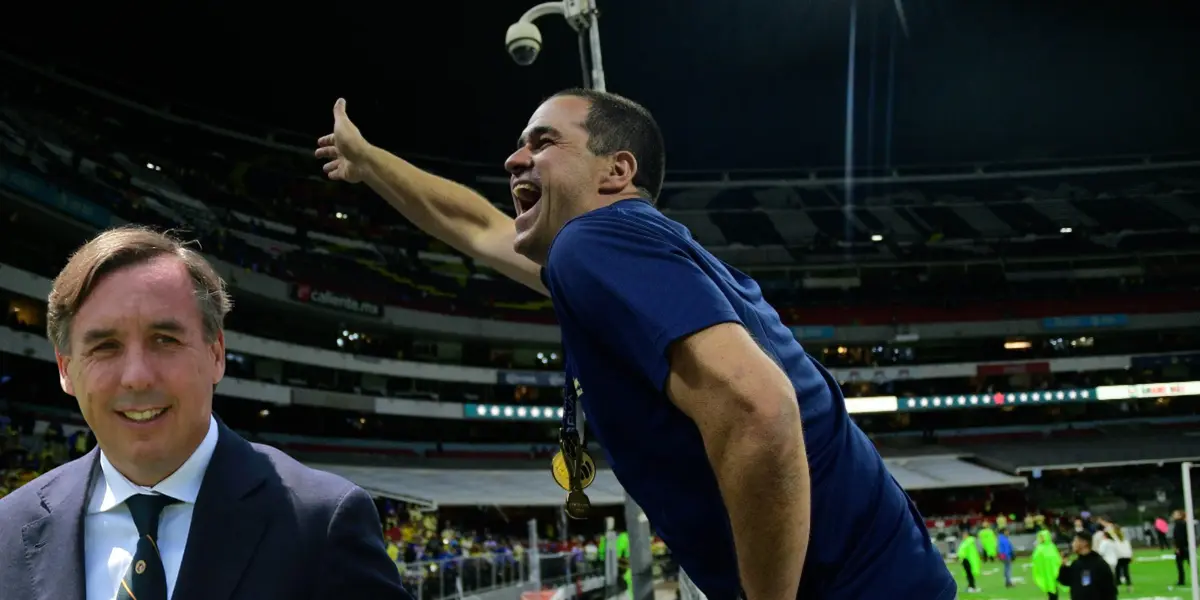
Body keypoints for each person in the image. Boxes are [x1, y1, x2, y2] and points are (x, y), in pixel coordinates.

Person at [315, 92, 957, 600]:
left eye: (543, 142)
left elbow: (759, 411)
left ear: (617, 171)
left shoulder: (591, 241)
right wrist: (370, 162)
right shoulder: (623, 252)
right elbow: (478, 226)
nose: (514, 160)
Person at [0, 227, 411, 600]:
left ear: (216, 355)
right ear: (66, 369)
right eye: (104, 346)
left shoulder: (323, 523)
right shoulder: (9, 529)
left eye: (165, 339)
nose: (137, 377)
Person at [1058, 532, 1117, 600]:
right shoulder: (1076, 564)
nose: (1072, 544)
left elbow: (1110, 591)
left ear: (1084, 543)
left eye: (1075, 541)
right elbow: (1065, 581)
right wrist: (1064, 566)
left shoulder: (1100, 564)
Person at [1032, 529, 1064, 600]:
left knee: (1055, 590)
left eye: (1043, 536)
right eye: (1041, 537)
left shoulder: (1052, 546)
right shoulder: (1039, 548)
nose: (1042, 538)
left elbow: (1056, 558)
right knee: (1050, 590)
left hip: (1054, 572)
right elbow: (1036, 559)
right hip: (1045, 573)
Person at [1174, 509, 1191, 586]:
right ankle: (1181, 580)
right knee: (1191, 564)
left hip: (1182, 547)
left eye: (1176, 514)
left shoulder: (1179, 524)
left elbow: (1179, 537)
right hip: (1187, 546)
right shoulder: (1184, 523)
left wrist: (1178, 547)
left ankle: (1181, 581)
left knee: (1180, 564)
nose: (1174, 515)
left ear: (1180, 516)